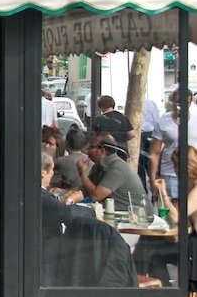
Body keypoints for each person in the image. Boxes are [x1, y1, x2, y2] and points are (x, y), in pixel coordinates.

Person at [133, 146, 197, 286]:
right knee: (152, 247)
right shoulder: (188, 187)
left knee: (151, 247)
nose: (175, 171)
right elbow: (170, 216)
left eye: (176, 166)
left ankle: (137, 279)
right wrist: (163, 199)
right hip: (189, 238)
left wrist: (164, 194)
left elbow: (177, 217)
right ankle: (157, 286)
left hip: (193, 245)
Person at [77, 132, 146, 211]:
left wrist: (82, 173)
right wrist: (63, 192)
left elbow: (96, 196)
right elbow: (85, 189)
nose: (87, 150)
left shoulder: (117, 168)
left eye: (91, 147)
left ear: (102, 151)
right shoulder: (98, 166)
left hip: (135, 216)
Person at [149, 88, 197, 198]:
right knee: (169, 210)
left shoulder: (195, 120)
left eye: (186, 102)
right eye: (179, 102)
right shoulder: (164, 120)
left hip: (193, 174)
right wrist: (152, 180)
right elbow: (154, 152)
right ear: (173, 101)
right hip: (170, 174)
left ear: (190, 102)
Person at [138, 98, 160, 191]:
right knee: (150, 161)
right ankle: (153, 183)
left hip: (142, 133)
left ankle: (144, 189)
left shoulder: (138, 102)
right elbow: (156, 118)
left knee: (141, 164)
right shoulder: (152, 102)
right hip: (152, 132)